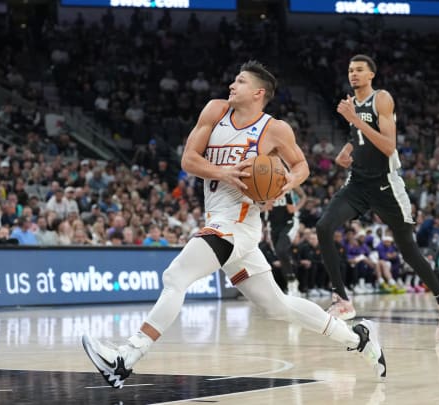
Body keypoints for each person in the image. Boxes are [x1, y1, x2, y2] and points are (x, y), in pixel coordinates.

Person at [82, 61, 386, 388]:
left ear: (258, 93)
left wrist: (285, 183)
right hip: (222, 224)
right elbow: (188, 160)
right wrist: (223, 173)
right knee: (277, 306)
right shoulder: (215, 111)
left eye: (239, 81)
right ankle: (358, 338)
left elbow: (301, 166)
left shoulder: (275, 129)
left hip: (237, 226)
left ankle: (126, 358)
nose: (231, 85)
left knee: (175, 276)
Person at [315, 54, 439, 341]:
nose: (353, 74)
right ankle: (342, 299)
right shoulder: (352, 104)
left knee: (408, 250)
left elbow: (389, 146)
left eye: (359, 70)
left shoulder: (381, 98)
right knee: (323, 227)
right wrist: (348, 148)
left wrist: (354, 119)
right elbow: (359, 136)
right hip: (358, 183)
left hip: (385, 185)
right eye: (349, 70)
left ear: (371, 75)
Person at [263, 186, 306, 296]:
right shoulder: (263, 182)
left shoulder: (289, 180)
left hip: (289, 222)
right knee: (280, 254)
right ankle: (291, 281)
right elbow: (259, 207)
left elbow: (303, 196)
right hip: (272, 224)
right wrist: (264, 205)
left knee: (281, 250)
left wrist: (297, 209)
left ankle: (292, 283)